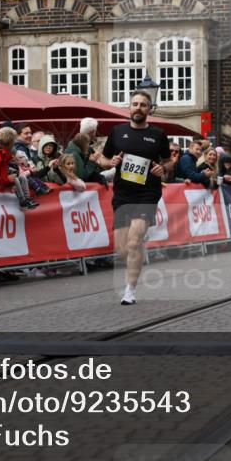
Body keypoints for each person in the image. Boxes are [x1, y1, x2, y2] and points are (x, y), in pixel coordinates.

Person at [96, 89, 174, 305]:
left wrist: (163, 168)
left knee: (133, 241)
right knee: (122, 249)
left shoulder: (158, 134)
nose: (138, 108)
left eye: (142, 105)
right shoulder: (117, 132)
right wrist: (108, 163)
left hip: (147, 193)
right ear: (129, 107)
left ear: (149, 109)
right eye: (134, 104)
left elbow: (168, 162)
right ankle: (137, 248)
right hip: (122, 194)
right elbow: (103, 159)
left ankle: (130, 290)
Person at [0, 127, 38, 210]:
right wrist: (6, 180)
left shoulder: (2, 153)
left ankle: (26, 200)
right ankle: (23, 202)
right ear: (9, 143)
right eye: (13, 141)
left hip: (1, 185)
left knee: (21, 178)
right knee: (17, 179)